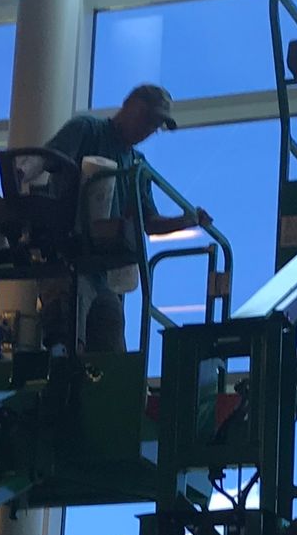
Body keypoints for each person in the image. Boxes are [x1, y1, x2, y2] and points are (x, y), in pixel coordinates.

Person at [35, 81, 205, 353]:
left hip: (102, 271)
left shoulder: (137, 165)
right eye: (147, 118)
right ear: (129, 106)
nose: (148, 129)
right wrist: (20, 176)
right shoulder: (88, 130)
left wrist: (186, 220)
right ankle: (61, 376)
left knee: (111, 348)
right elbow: (44, 161)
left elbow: (148, 221)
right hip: (68, 256)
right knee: (67, 331)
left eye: (155, 125)